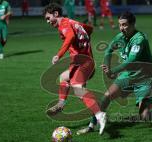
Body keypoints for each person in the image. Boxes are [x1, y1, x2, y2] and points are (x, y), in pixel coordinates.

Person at [77, 11, 152, 135]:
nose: (122, 28)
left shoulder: (139, 39)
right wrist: (107, 66)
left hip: (144, 77)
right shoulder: (120, 37)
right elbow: (108, 51)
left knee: (145, 115)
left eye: (125, 25)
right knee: (106, 97)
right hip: (127, 75)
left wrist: (113, 71)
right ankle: (91, 126)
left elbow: (130, 62)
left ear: (133, 24)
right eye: (120, 25)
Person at [43, 3, 106, 135]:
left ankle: (100, 115)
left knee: (78, 89)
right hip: (84, 62)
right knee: (64, 78)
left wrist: (58, 55)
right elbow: (90, 29)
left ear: (56, 14)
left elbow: (70, 36)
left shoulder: (64, 24)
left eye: (48, 18)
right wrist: (84, 41)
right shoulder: (73, 22)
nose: (48, 22)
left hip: (83, 63)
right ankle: (62, 104)